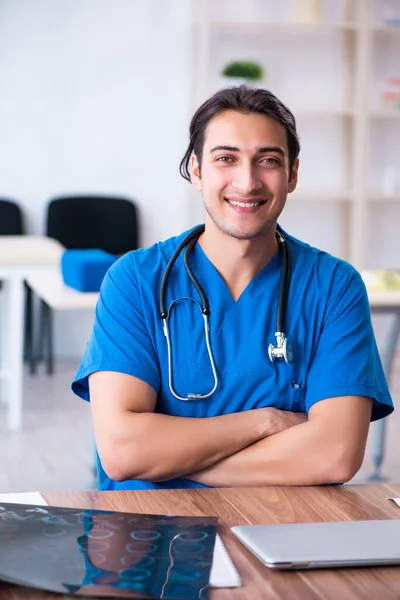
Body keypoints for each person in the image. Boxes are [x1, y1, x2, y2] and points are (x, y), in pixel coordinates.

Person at [72, 86, 394, 491]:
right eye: (226, 158)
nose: (247, 181)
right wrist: (266, 421)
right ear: (196, 171)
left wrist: (167, 460)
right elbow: (123, 451)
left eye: (269, 161)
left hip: (287, 528)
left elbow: (335, 455)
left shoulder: (333, 287)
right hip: (151, 530)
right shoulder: (135, 280)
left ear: (292, 174)